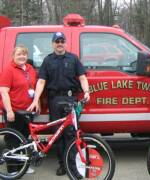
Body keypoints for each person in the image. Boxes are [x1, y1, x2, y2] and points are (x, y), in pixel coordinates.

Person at [27, 32, 90, 176]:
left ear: (65, 43)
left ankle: (73, 168)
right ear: (53, 43)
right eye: (57, 41)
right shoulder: (47, 61)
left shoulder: (73, 58)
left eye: (62, 41)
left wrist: (86, 91)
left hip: (71, 100)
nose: (60, 43)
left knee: (72, 135)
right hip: (54, 101)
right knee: (58, 135)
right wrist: (36, 100)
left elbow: (82, 77)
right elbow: (41, 81)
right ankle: (62, 165)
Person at [0, 45, 37, 174]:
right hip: (14, 111)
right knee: (12, 140)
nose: (22, 57)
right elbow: (4, 92)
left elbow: (34, 87)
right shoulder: (9, 69)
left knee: (24, 140)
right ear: (13, 56)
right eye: (19, 54)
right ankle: (12, 170)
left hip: (27, 111)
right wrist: (9, 111)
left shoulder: (30, 69)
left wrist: (36, 102)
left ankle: (22, 166)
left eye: (24, 54)